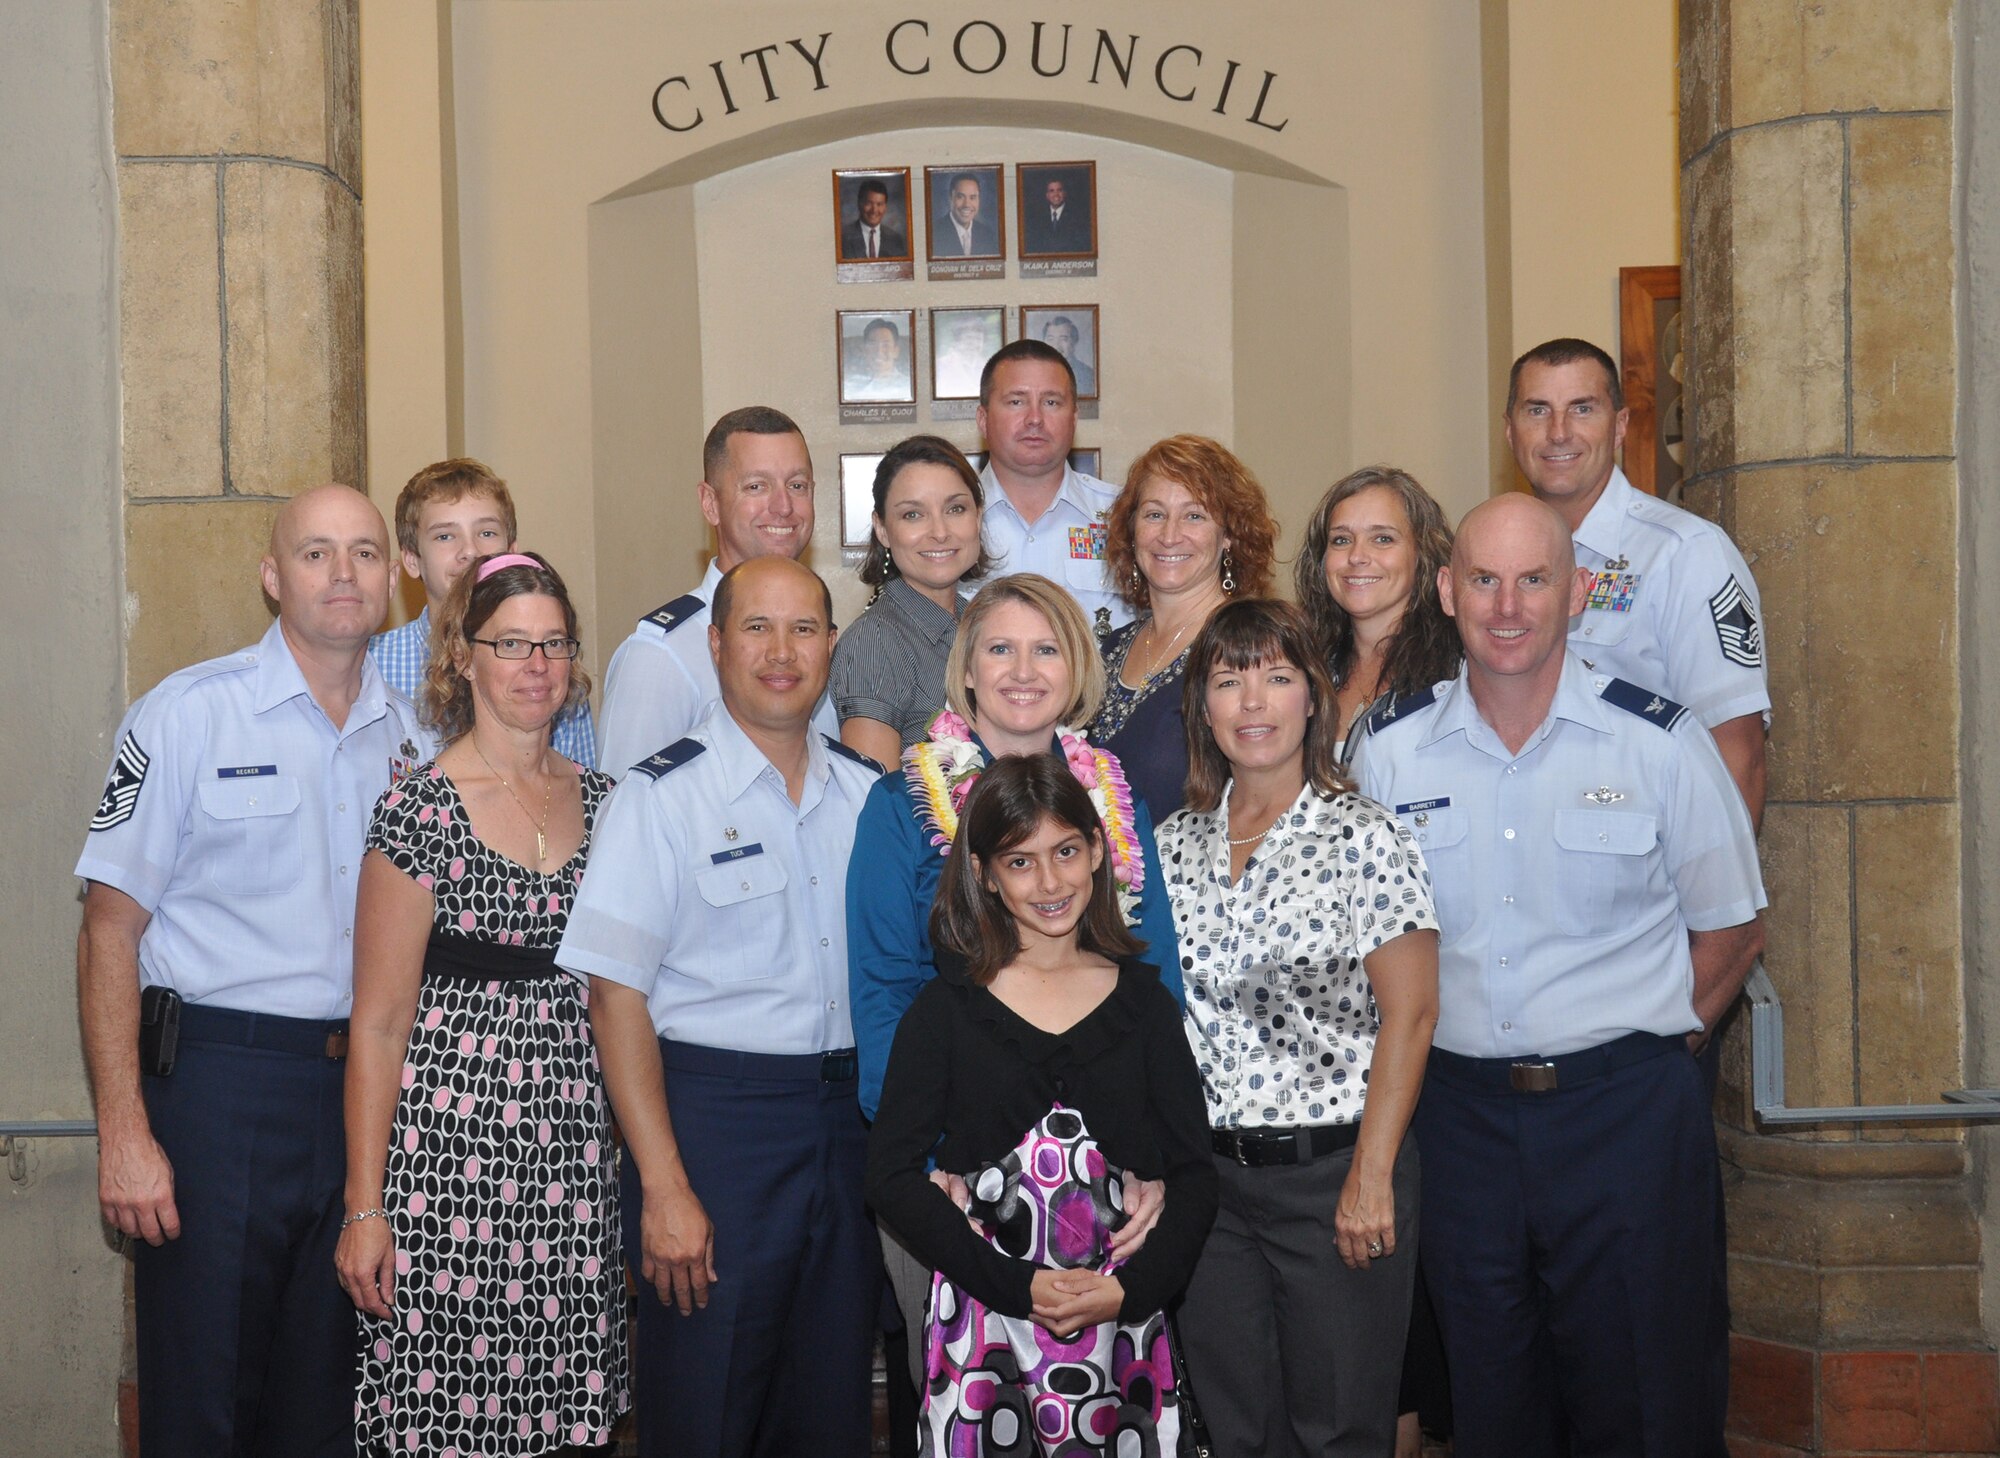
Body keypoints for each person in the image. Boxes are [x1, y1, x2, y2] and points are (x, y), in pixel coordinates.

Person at [1349, 493, 1767, 1457]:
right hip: (1456, 1128)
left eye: (1534, 580)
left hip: (1625, 1124)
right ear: (1446, 592)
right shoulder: (1387, 750)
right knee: (1491, 1404)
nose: (1508, 607)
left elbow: (1735, 930)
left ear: (1578, 592)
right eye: (1484, 580)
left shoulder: (1658, 741)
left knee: (1648, 1404)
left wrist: (1653, 1051)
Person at [75, 483, 431, 1457]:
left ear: (392, 580)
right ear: (273, 576)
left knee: (325, 1411)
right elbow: (107, 930)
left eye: (364, 552)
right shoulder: (188, 714)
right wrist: (123, 1133)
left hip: (362, 1102)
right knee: (204, 1406)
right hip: (217, 1094)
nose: (343, 573)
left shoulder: (417, 741)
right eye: (316, 553)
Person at [558, 556, 884, 1458]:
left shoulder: (869, 796)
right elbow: (614, 996)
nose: (782, 652)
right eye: (756, 628)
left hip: (849, 1130)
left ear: (830, 646)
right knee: (707, 1406)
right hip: (717, 1132)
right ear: (715, 645)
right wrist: (662, 1185)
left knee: (831, 1410)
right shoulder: (660, 797)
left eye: (804, 629)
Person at [847, 572, 1182, 1409]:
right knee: (967, 1399)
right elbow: (884, 989)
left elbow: (1154, 974)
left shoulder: (1113, 797)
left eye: (1046, 649)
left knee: (1106, 1399)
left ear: (1078, 669)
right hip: (953, 1169)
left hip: (1106, 1167)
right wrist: (932, 1166)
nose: (1024, 671)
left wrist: (1152, 1160)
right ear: (967, 668)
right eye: (1000, 648)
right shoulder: (901, 802)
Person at [336, 551, 628, 1454]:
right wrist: (364, 1208)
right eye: (511, 644)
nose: (536, 665)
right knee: (449, 1421)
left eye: (554, 643)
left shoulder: (612, 806)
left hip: (577, 1164)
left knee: (563, 1417)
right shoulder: (418, 810)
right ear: (464, 657)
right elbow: (378, 1025)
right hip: (446, 1169)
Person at [866, 756, 1219, 1454]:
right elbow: (890, 1175)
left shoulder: (1145, 1005)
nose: (1051, 882)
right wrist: (1013, 1285)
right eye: (1020, 862)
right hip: (984, 1328)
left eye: (1065, 852)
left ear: (1098, 852)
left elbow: (1195, 1175)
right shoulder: (945, 1011)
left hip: (1121, 1331)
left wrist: (1131, 1291)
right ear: (983, 874)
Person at [1157, 598, 1441, 1456]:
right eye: (1228, 681)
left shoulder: (1366, 835)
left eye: (1276, 678)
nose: (1253, 702)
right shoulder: (1169, 846)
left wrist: (1372, 1175)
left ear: (1312, 697)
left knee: (1340, 1431)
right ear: (1202, 708)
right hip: (1211, 1189)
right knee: (1235, 1429)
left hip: (1336, 1176)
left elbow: (1413, 1013)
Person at [1504, 337, 1769, 829]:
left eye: (1582, 408)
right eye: (1537, 410)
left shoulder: (1685, 553)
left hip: (1644, 863)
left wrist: (1716, 879)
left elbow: (1739, 752)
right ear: (1509, 430)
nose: (1558, 432)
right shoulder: (1492, 557)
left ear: (1621, 425)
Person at [597, 406, 836, 777]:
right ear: (710, 504)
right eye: (756, 486)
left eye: (797, 486)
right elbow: (628, 801)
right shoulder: (661, 656)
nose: (783, 506)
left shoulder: (818, 640)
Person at [1092, 434, 1278, 817]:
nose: (1170, 535)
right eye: (1154, 514)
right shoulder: (1111, 649)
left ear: (1229, 535)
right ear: (1131, 530)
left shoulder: (1252, 647)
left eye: (1194, 516)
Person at [370, 457, 597, 767]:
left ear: (512, 551)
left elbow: (577, 783)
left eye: (487, 533)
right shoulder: (373, 665)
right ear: (412, 560)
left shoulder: (549, 666)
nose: (470, 551)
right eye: (445, 536)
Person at [830, 435, 993, 766]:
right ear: (882, 529)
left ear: (978, 516)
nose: (940, 532)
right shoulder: (874, 641)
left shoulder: (984, 624)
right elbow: (874, 791)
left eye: (956, 509)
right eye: (913, 515)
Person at [1294, 466, 1461, 770]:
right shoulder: (1301, 666)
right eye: (1341, 540)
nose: (1357, 556)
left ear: (1421, 554)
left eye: (1382, 539)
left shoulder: (1459, 672)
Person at [975, 339, 1129, 633]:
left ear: (1074, 419)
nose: (1034, 419)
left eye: (1051, 402)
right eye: (1016, 401)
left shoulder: (1123, 515)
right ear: (983, 419)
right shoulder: (947, 522)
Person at [842, 317, 912, 402]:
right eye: (872, 344)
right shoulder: (849, 387)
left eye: (885, 345)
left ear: (896, 351)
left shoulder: (908, 386)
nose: (879, 351)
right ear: (864, 350)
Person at [840, 177, 909, 260]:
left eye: (879, 204)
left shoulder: (896, 239)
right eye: (869, 203)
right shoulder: (843, 237)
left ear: (885, 207)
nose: (874, 210)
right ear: (859, 203)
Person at [934, 170, 999, 257]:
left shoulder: (987, 235)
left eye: (972, 197)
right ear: (950, 198)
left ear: (978, 200)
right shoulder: (934, 233)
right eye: (960, 197)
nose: (967, 204)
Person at [1024, 173, 1090, 255]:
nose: (1056, 194)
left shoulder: (1078, 217)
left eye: (1059, 190)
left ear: (1064, 193)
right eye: (1052, 191)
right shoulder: (1037, 218)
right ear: (1047, 195)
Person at [1039, 313, 1097, 396]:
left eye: (1063, 339)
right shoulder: (1035, 372)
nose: (1056, 345)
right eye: (1051, 339)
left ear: (1074, 342)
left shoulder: (1088, 374)